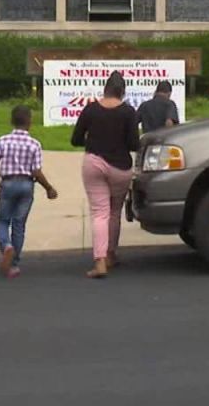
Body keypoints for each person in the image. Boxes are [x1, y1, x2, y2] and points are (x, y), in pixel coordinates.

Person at [0, 105, 58, 279]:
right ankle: (14, 264)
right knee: (19, 225)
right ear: (30, 123)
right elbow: (36, 171)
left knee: (1, 221)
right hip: (26, 186)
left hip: (8, 184)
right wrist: (49, 188)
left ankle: (6, 245)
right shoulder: (34, 144)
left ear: (11, 121)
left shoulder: (3, 141)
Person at [71, 71, 141, 279]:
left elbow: (75, 139)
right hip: (120, 168)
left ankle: (99, 261)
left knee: (99, 212)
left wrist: (94, 141)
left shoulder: (91, 109)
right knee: (114, 212)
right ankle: (111, 254)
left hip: (94, 164)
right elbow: (133, 144)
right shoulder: (129, 112)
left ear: (105, 89)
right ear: (123, 92)